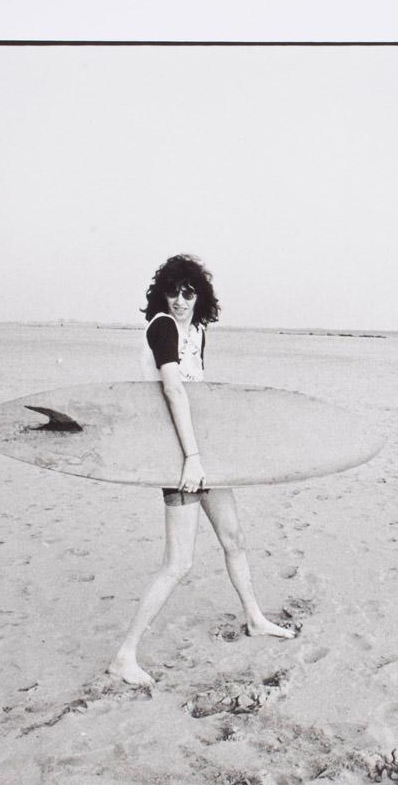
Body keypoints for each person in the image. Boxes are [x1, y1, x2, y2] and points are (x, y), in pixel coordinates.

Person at [108, 254, 295, 688]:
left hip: (203, 452)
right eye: (172, 291)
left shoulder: (198, 331)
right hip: (178, 457)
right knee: (179, 562)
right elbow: (173, 390)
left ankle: (254, 618)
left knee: (235, 539)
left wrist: (212, 452)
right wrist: (192, 459)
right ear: (162, 294)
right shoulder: (161, 327)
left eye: (188, 292)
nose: (179, 300)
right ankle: (124, 654)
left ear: (200, 295)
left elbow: (201, 393)